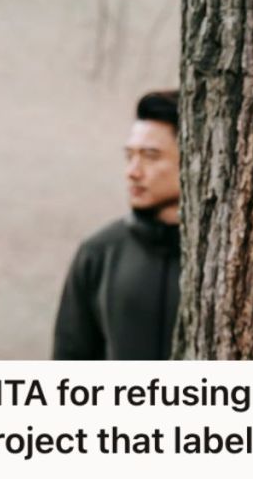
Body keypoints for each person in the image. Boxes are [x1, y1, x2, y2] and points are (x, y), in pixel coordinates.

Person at [52, 90, 181, 360]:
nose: (133, 172)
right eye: (130, 156)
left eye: (151, 156)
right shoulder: (99, 253)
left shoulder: (231, 259)